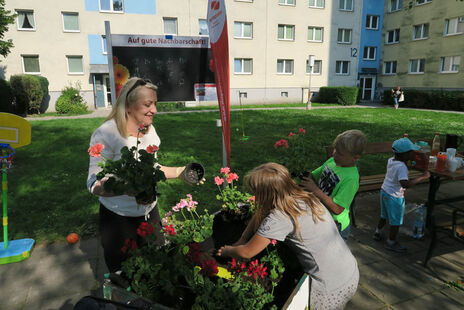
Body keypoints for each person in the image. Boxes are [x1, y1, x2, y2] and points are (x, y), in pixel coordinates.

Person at [87, 77, 201, 272]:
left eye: (155, 104)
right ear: (128, 106)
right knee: (123, 272)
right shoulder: (106, 133)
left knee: (157, 266)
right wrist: (125, 187)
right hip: (118, 220)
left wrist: (180, 172)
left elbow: (152, 168)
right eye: (148, 104)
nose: (154, 110)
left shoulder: (149, 131)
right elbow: (93, 183)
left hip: (149, 212)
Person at [217, 163, 359, 309]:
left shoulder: (280, 217)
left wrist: (228, 250)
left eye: (256, 193)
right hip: (349, 270)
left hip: (330, 288)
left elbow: (247, 252)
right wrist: (242, 239)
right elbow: (262, 211)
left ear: (265, 195)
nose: (254, 196)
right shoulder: (303, 196)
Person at [300, 130, 367, 242]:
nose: (334, 153)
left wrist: (316, 190)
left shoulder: (351, 179)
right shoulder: (332, 161)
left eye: (340, 153)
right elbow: (313, 176)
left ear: (355, 157)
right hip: (322, 217)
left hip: (335, 227)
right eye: (335, 149)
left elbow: (338, 209)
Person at [373, 138, 430, 252]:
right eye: (411, 152)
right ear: (405, 154)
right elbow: (405, 183)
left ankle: (377, 232)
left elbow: (398, 170)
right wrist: (423, 177)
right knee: (396, 221)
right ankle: (391, 242)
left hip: (384, 191)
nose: (413, 154)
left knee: (384, 215)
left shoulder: (391, 160)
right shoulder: (402, 167)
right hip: (394, 197)